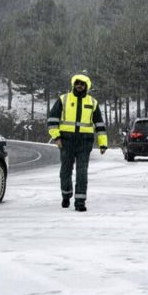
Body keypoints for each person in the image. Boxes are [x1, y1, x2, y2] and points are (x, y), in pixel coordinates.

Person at [47, 74, 107, 212]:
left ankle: (80, 201)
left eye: (82, 83)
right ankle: (66, 195)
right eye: (77, 83)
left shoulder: (92, 102)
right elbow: (52, 120)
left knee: (82, 172)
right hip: (66, 141)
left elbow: (99, 125)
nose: (79, 85)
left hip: (84, 142)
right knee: (65, 171)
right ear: (73, 84)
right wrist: (56, 137)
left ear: (87, 86)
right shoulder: (63, 99)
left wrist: (103, 143)